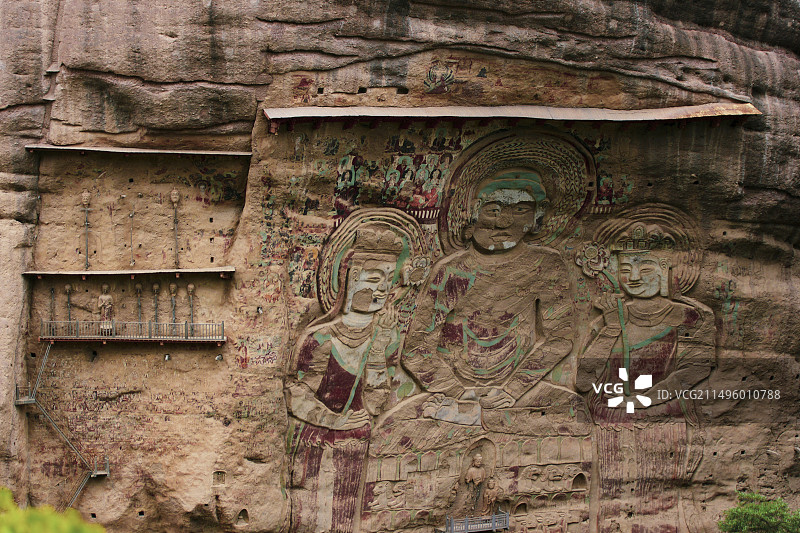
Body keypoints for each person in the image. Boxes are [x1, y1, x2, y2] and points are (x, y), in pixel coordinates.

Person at [576, 212, 715, 531]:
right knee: (613, 509)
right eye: (626, 269)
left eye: (646, 267)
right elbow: (584, 381)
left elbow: (692, 371)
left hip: (663, 427)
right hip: (611, 428)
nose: (635, 276)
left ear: (668, 270)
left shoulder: (690, 318)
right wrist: (612, 329)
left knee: (659, 509)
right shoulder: (608, 321)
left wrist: (640, 401)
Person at [402, 171, 574, 420]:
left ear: (537, 216)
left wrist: (514, 390)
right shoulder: (453, 271)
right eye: (494, 210)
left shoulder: (544, 264)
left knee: (573, 412)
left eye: (520, 211)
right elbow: (417, 348)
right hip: (453, 388)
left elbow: (560, 338)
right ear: (473, 213)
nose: (504, 222)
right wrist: (458, 394)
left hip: (518, 388)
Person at [285, 227, 405, 533]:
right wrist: (334, 421)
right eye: (374, 279)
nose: (382, 290)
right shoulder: (320, 336)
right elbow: (297, 394)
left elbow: (377, 402)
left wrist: (378, 348)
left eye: (388, 281)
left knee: (343, 519)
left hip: (357, 443)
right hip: (318, 441)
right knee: (312, 516)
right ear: (350, 279)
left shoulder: (385, 338)